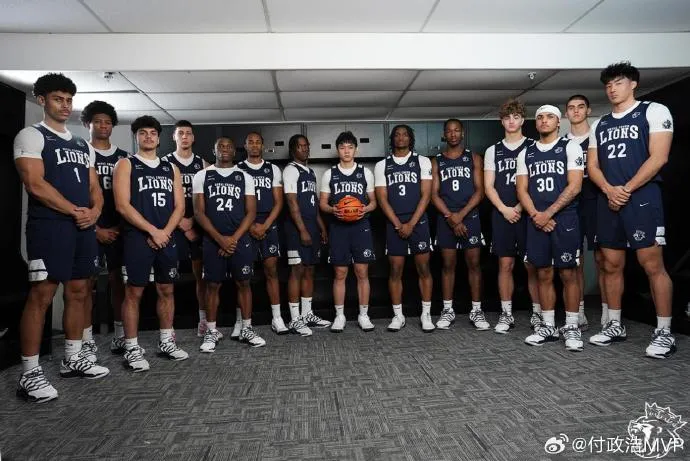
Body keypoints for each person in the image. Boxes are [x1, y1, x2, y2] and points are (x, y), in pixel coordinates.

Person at [14, 73, 109, 403]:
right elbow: (34, 183)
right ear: (42, 100)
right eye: (58, 99)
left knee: (80, 291)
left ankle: (73, 358)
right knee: (42, 295)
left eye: (69, 100)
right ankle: (29, 373)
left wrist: (94, 212)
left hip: (82, 228)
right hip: (49, 227)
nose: (65, 105)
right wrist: (74, 211)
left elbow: (95, 186)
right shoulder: (32, 135)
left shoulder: (82, 144)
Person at [586, 61, 676, 358]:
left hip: (642, 197)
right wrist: (609, 190)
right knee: (611, 264)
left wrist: (625, 189)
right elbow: (593, 166)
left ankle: (664, 332)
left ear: (633, 84)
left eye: (619, 82)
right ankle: (615, 325)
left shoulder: (653, 111)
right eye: (608, 85)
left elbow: (659, 157)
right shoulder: (600, 123)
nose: (612, 89)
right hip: (608, 198)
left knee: (652, 265)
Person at [113, 115, 188, 372]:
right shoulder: (126, 164)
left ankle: (167, 341)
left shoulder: (171, 168)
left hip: (166, 237)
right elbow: (122, 205)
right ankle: (132, 347)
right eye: (143, 133)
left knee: (167, 289)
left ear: (158, 138)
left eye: (152, 133)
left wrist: (164, 232)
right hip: (138, 238)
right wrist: (152, 231)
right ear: (136, 137)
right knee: (134, 292)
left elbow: (180, 206)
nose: (148, 136)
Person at [516, 105, 584, 351]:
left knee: (568, 273)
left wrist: (549, 214)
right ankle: (547, 326)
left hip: (564, 219)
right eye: (540, 117)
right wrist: (537, 215)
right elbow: (521, 189)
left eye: (550, 117)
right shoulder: (526, 153)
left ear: (558, 122)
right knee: (543, 273)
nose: (544, 121)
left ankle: (572, 326)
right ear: (536, 123)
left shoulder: (570, 147)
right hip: (536, 220)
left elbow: (575, 186)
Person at [193, 137, 265, 349]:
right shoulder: (202, 175)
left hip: (239, 239)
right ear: (213, 150)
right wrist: (220, 239)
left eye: (228, 146)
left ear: (234, 152)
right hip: (212, 239)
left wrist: (232, 240)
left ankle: (246, 328)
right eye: (220, 146)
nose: (224, 149)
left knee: (244, 282)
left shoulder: (245, 176)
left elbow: (251, 212)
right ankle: (211, 331)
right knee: (212, 285)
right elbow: (198, 212)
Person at [483, 99, 541, 333]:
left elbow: (536, 183)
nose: (511, 121)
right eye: (507, 118)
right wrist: (504, 209)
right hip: (502, 213)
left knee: (531, 264)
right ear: (501, 121)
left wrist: (519, 207)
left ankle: (538, 313)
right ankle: (506, 314)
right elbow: (489, 186)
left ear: (522, 120)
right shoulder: (493, 150)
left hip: (527, 213)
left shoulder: (534, 146)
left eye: (516, 117)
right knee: (505, 264)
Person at [79, 100, 129, 357]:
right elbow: (76, 195)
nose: (103, 126)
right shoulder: (80, 153)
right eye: (97, 121)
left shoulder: (124, 157)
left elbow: (132, 199)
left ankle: (120, 335)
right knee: (85, 285)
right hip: (90, 228)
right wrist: (95, 229)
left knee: (119, 282)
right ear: (88, 124)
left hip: (119, 228)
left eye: (107, 122)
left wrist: (120, 226)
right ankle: (86, 339)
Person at [374, 125, 434, 332]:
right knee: (395, 270)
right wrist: (398, 224)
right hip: (394, 223)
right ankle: (398, 315)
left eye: (405, 134)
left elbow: (426, 195)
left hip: (418, 222)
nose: (401, 138)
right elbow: (382, 199)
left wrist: (411, 224)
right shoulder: (382, 165)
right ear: (392, 139)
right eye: (397, 135)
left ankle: (426, 314)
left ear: (411, 138)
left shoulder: (422, 161)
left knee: (424, 269)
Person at [431, 119, 488, 330]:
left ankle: (477, 310)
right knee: (448, 265)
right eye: (449, 131)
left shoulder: (473, 158)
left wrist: (460, 216)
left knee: (474, 264)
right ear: (444, 135)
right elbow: (433, 194)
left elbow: (480, 191)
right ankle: (447, 310)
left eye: (456, 130)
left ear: (462, 133)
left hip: (469, 217)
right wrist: (450, 216)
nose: (453, 134)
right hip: (446, 218)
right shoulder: (437, 161)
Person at [319, 131, 377, 332]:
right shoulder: (330, 174)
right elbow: (322, 203)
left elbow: (374, 202)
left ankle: (363, 315)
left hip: (361, 227)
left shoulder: (365, 173)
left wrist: (364, 209)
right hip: (338, 228)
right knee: (340, 273)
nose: (346, 151)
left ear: (356, 150)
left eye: (350, 147)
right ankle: (340, 316)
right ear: (338, 150)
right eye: (342, 147)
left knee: (362, 272)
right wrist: (333, 209)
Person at [162, 121, 207, 337]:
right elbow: (162, 199)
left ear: (193, 137)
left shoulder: (203, 164)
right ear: (174, 137)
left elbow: (209, 199)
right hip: (173, 227)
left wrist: (193, 223)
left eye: (188, 133)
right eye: (181, 133)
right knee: (168, 279)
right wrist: (182, 224)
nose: (185, 137)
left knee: (202, 277)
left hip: (197, 227)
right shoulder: (164, 163)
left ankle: (203, 321)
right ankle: (168, 327)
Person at [565, 94, 605, 330]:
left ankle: (608, 313)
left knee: (603, 258)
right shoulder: (563, 144)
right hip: (571, 204)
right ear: (566, 113)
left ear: (588, 110)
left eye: (581, 107)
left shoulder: (598, 138)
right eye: (571, 108)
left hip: (596, 199)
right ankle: (578, 312)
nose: (576, 111)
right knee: (575, 258)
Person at [283, 135, 329, 336]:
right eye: (300, 146)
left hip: (311, 227)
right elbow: (292, 202)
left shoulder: (309, 172)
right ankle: (295, 319)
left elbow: (313, 203)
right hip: (296, 229)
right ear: (293, 150)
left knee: (310, 269)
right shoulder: (291, 170)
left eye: (306, 146)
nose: (304, 149)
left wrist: (321, 228)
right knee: (297, 270)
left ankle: (307, 314)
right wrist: (302, 230)